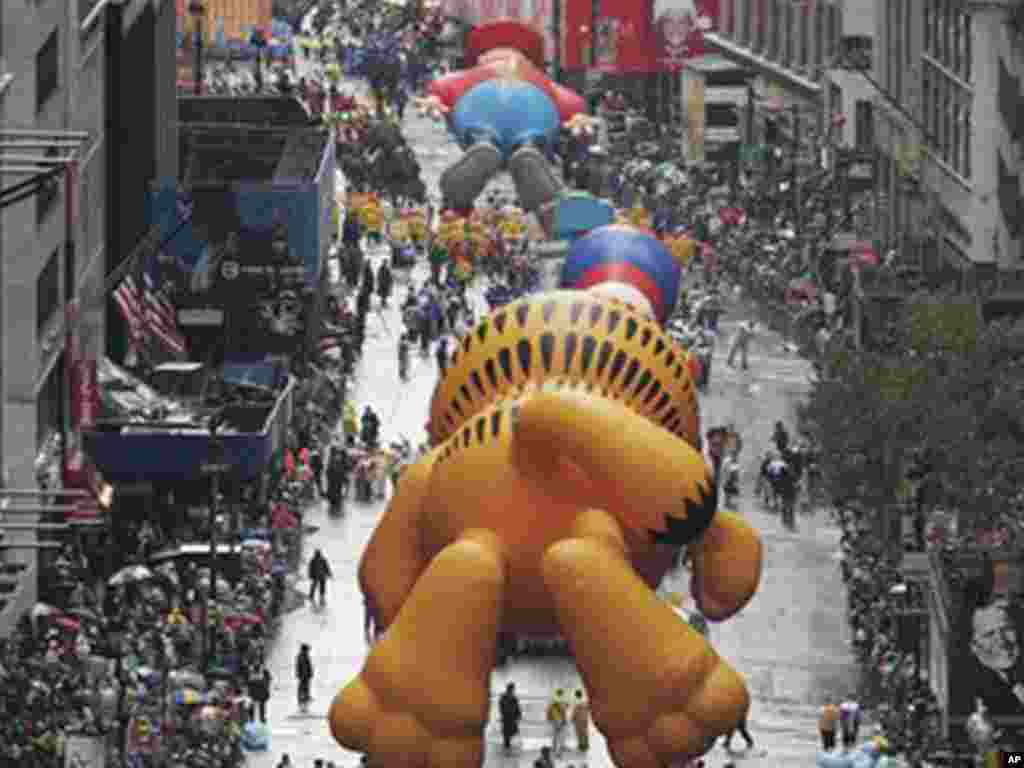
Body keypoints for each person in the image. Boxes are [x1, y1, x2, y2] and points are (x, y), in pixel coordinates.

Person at [499, 682, 522, 751]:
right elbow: (502, 707)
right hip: (508, 717)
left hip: (509, 717)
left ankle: (507, 746)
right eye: (512, 688)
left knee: (509, 732)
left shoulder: (510, 697)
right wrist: (518, 714)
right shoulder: (506, 697)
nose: (513, 690)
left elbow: (516, 707)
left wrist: (518, 714)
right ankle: (507, 746)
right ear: (511, 689)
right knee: (508, 732)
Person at [546, 689, 568, 756]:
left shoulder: (553, 701)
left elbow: (549, 711)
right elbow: (563, 711)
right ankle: (559, 750)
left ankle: (554, 748)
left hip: (554, 721)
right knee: (560, 736)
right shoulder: (561, 701)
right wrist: (564, 720)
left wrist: (549, 718)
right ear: (561, 694)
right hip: (560, 720)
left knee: (555, 735)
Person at [295, 644, 313, 711]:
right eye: (307, 649)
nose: (308, 651)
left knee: (303, 690)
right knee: (303, 690)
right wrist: (305, 675)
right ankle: (303, 704)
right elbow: (304, 667)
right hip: (304, 676)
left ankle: (304, 703)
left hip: (304, 676)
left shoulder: (303, 655)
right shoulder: (303, 656)